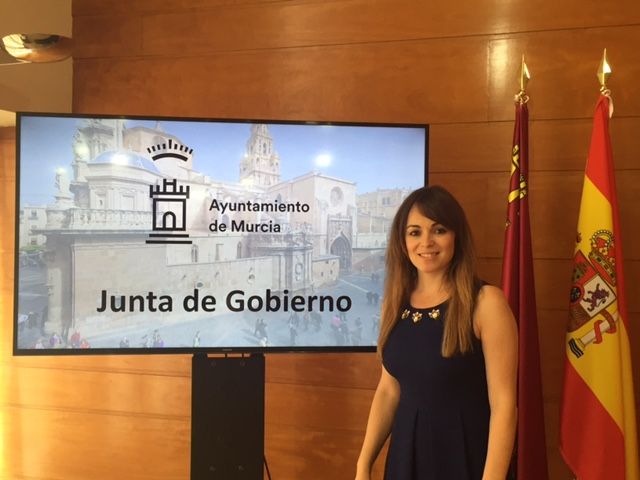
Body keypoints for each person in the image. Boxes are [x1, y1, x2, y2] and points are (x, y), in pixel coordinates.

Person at [355, 186, 517, 480]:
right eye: (414, 232)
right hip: (406, 460)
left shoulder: (486, 303)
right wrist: (363, 465)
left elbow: (504, 406)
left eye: (438, 229)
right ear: (402, 242)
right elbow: (389, 390)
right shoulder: (393, 305)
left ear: (456, 236)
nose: (426, 242)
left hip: (467, 459)